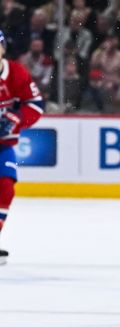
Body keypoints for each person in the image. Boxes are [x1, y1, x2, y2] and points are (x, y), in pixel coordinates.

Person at [0, 30, 44, 264]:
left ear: (3, 48)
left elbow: (36, 105)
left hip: (3, 145)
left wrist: (17, 118)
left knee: (6, 187)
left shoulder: (16, 73)